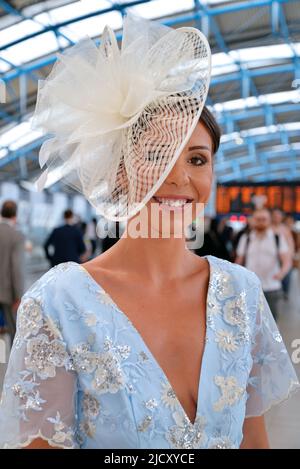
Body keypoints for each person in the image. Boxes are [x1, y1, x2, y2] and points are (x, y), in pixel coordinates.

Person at [0, 15, 299, 450]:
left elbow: (253, 438)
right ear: (117, 174)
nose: (179, 178)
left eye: (197, 159)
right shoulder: (58, 305)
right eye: (158, 154)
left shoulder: (242, 294)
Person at [235, 209, 291, 321]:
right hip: (250, 287)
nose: (261, 222)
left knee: (271, 322)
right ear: (253, 221)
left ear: (269, 221)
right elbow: (239, 260)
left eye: (264, 219)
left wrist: (282, 273)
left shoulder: (277, 238)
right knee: (249, 321)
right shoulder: (246, 239)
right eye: (258, 219)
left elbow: (286, 260)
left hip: (271, 286)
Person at [0, 200, 25, 345]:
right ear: (15, 215)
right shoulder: (16, 236)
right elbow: (17, 268)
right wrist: (18, 295)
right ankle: (12, 366)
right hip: (7, 291)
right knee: (13, 332)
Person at [271, 209, 295, 300]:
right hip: (273, 258)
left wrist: (290, 256)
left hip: (284, 257)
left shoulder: (285, 229)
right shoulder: (269, 228)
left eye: (278, 216)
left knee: (286, 275)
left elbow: (290, 243)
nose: (276, 218)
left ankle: (285, 292)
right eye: (274, 216)